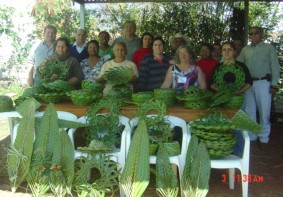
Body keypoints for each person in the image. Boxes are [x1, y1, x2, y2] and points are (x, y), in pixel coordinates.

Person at [237, 26, 280, 145]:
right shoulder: (245, 49)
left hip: (263, 83)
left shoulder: (269, 48)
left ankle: (264, 137)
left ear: (261, 34)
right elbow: (238, 65)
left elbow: (275, 66)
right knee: (249, 111)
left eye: (256, 33)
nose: (253, 35)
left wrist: (274, 84)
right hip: (248, 84)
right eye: (250, 34)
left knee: (264, 111)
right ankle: (252, 136)